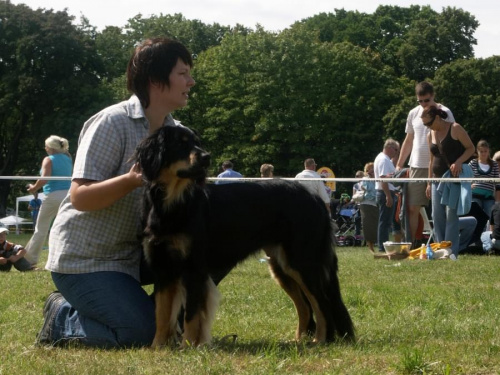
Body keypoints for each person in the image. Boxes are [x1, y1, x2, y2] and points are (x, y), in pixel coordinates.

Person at [36, 38, 196, 348]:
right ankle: (62, 316)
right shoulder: (112, 122)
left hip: (134, 256)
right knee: (140, 335)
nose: (191, 81)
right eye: (183, 73)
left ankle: (154, 316)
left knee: (214, 248)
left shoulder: (179, 134)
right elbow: (81, 197)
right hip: (86, 260)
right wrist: (132, 179)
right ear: (154, 79)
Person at [396, 81, 455, 245]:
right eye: (419, 101)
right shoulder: (413, 114)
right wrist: (399, 164)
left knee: (440, 210)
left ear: (433, 96)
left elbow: (452, 136)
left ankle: (442, 243)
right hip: (416, 165)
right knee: (412, 208)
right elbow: (409, 140)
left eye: (426, 100)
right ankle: (412, 243)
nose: (423, 104)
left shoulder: (445, 112)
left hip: (438, 166)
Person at [423, 105, 475, 258]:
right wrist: (428, 182)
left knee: (451, 215)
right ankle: (441, 250)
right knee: (437, 215)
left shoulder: (455, 128)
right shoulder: (430, 135)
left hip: (452, 179)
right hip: (436, 180)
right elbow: (431, 161)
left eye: (429, 123)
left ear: (438, 117)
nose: (427, 126)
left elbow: (471, 148)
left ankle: (451, 252)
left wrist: (459, 162)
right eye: (425, 124)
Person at [24, 135, 72, 265]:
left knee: (41, 229)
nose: (45, 148)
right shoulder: (68, 158)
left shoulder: (48, 159)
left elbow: (44, 179)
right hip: (69, 195)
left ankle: (29, 259)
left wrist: (34, 188)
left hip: (52, 196)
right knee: (67, 228)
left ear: (50, 147)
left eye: (46, 146)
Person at [374, 139, 400, 252]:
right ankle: (382, 247)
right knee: (384, 222)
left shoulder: (384, 159)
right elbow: (383, 179)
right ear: (389, 147)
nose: (396, 152)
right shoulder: (384, 160)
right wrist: (388, 196)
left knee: (386, 222)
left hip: (386, 193)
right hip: (386, 193)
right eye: (396, 150)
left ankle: (383, 246)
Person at [469, 140, 500, 217]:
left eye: (485, 151)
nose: (483, 153)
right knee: (476, 217)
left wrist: (497, 202)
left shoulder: (494, 164)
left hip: (488, 196)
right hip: (475, 195)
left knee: (491, 217)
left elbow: (498, 184)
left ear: (488, 151)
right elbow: (465, 177)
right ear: (477, 151)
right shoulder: (473, 163)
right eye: (481, 151)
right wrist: (469, 185)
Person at [358, 163, 378, 253]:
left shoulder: (377, 179)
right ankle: (370, 246)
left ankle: (373, 244)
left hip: (375, 204)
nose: (372, 171)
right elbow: (364, 188)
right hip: (366, 204)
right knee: (368, 225)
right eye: (370, 169)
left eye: (373, 169)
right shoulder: (365, 179)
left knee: (374, 225)